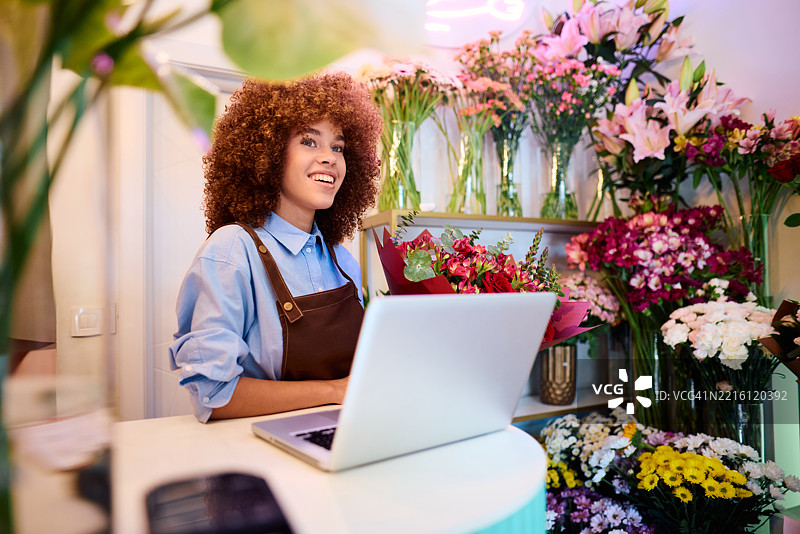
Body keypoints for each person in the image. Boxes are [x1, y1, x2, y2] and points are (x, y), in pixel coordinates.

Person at [169, 72, 382, 423]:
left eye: (338, 147)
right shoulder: (231, 251)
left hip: (342, 438)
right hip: (257, 450)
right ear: (267, 152)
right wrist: (332, 392)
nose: (329, 157)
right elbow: (214, 395)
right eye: (309, 142)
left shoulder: (341, 260)